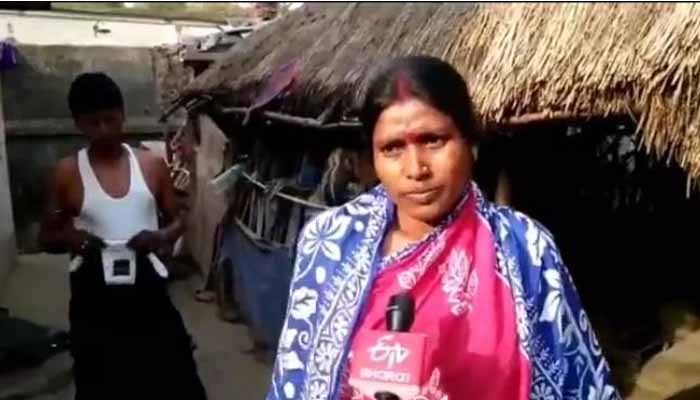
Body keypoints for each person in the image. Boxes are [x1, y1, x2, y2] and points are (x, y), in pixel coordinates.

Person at [267, 56, 620, 400]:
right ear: (372, 157)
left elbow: (575, 383)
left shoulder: (524, 247)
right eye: (392, 148)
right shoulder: (330, 242)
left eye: (433, 140)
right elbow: (298, 380)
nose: (416, 169)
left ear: (470, 144)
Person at [39, 73, 207, 400]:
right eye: (93, 123)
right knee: (100, 382)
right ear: (78, 124)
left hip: (148, 292)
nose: (103, 130)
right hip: (93, 298)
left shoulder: (151, 166)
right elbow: (46, 236)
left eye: (110, 120)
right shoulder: (67, 173)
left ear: (123, 115)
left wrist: (159, 237)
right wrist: (74, 239)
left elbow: (179, 221)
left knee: (174, 378)